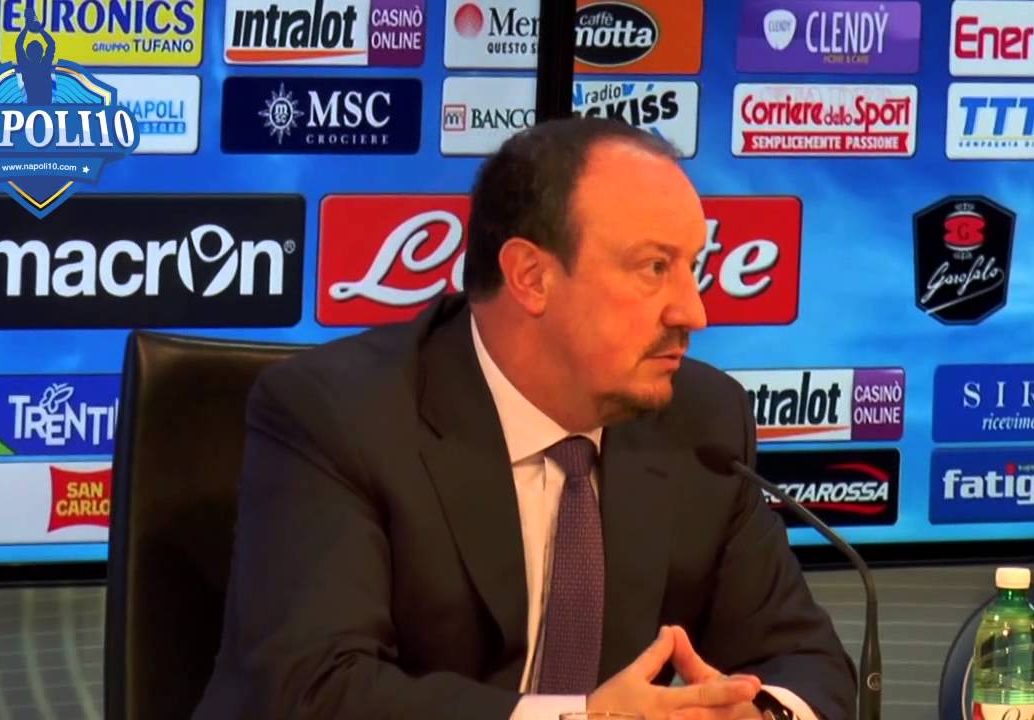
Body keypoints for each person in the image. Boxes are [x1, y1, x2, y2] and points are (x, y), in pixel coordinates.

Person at [193, 117, 856, 720]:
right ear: (531, 277)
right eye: (654, 268)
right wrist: (580, 719)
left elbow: (805, 660)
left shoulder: (701, 421)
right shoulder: (339, 414)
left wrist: (760, 714)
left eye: (695, 268)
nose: (694, 312)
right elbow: (313, 690)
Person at [16, 5, 55, 106]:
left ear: (28, 53)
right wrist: (40, 30)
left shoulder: (26, 67)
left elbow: (18, 45)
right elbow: (51, 44)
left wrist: (26, 27)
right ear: (41, 52)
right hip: (46, 107)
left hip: (33, 107)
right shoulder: (45, 65)